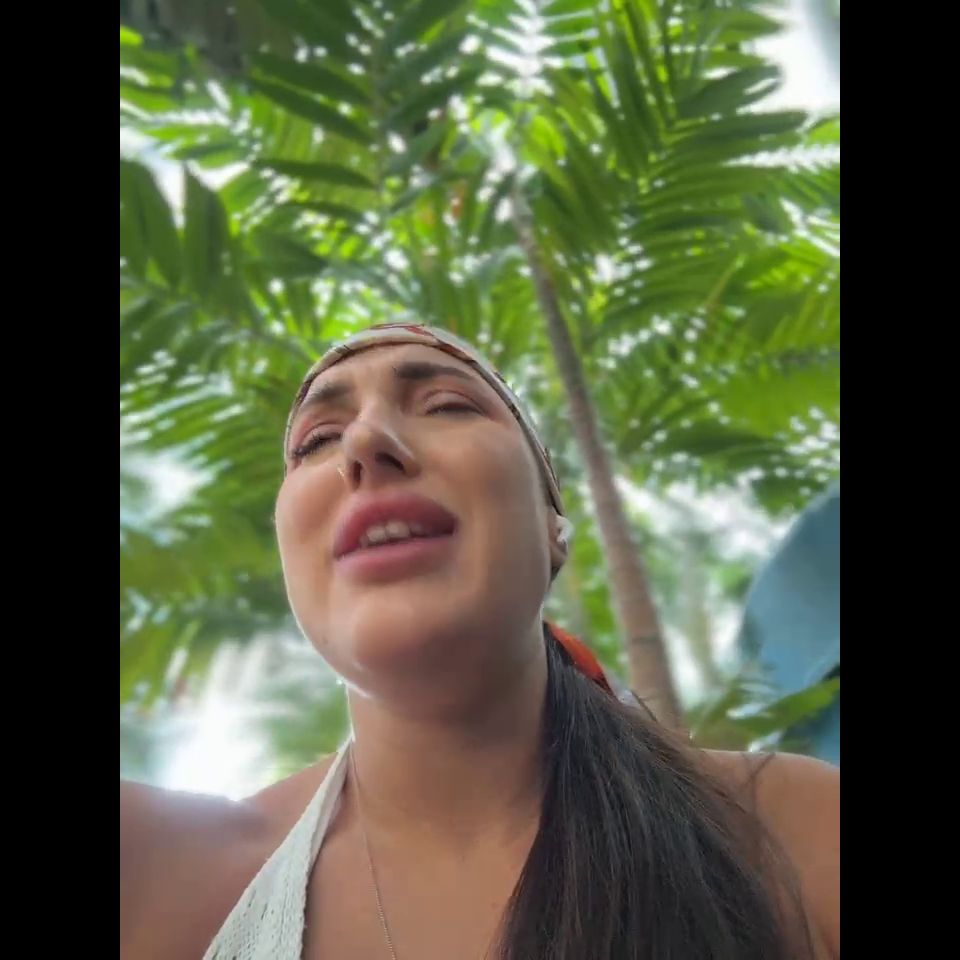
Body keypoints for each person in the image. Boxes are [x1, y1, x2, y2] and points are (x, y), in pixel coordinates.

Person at [120, 324, 840, 960]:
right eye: (316, 441)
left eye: (447, 405)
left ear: (554, 528)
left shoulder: (794, 830)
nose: (365, 442)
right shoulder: (154, 868)